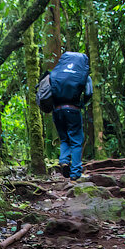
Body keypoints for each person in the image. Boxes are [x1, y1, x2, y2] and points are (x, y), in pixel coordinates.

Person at [50, 52, 93, 181]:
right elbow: (89, 92)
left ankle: (63, 160)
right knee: (76, 140)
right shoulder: (83, 75)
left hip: (57, 110)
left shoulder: (56, 72)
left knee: (64, 139)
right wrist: (81, 103)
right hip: (73, 109)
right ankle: (75, 172)